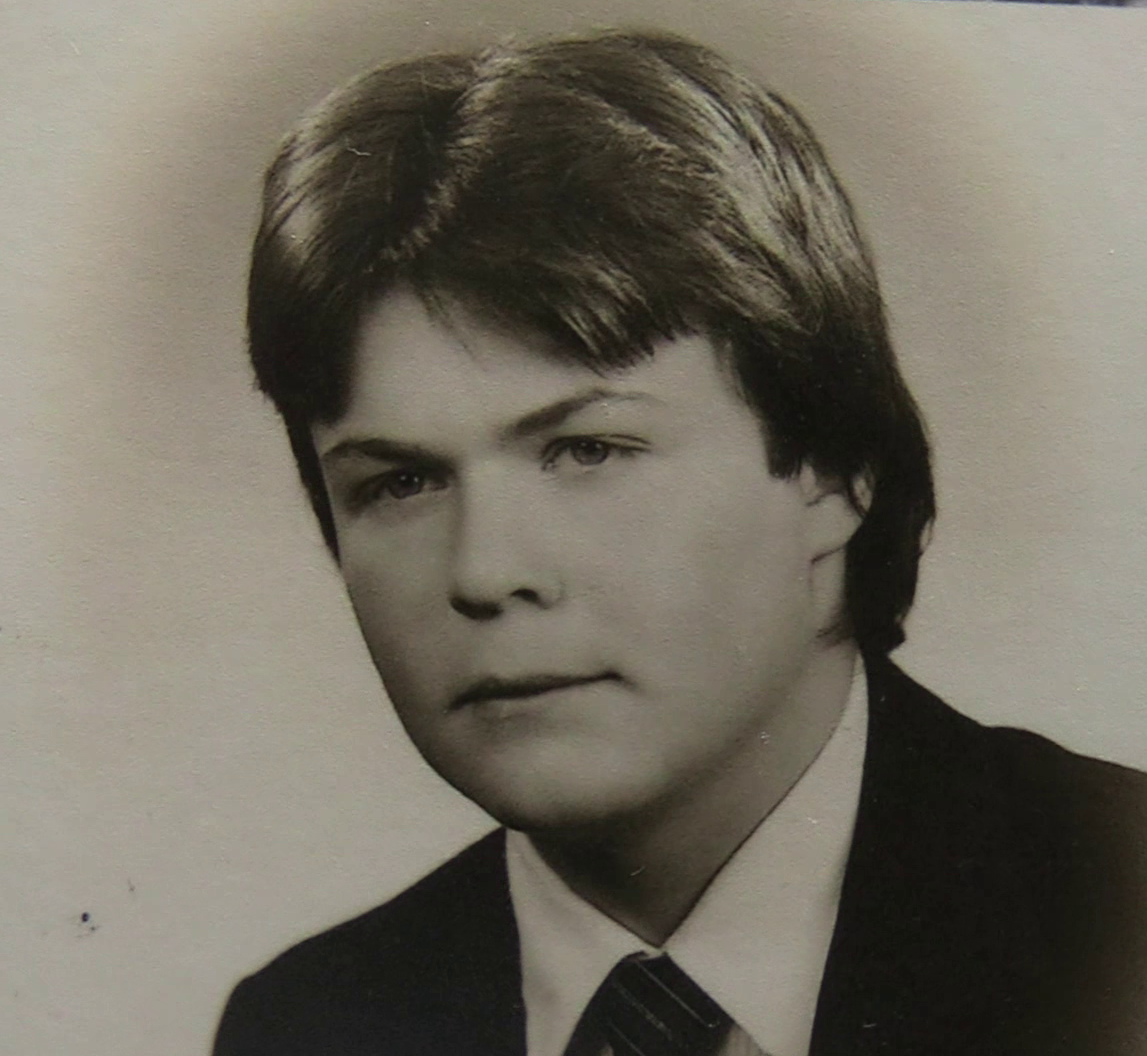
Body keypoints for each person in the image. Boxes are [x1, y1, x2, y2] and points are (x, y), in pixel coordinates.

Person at [212, 28, 1147, 1056]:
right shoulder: (304, 1026)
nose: (486, 572)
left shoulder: (1122, 912)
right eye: (401, 482)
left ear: (834, 470)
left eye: (588, 450)